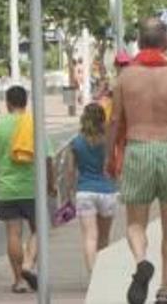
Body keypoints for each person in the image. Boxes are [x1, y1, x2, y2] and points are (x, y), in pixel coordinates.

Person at [109, 18, 167, 304]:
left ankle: (141, 263)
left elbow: (114, 120)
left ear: (138, 42)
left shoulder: (125, 78)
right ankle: (165, 290)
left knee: (136, 223)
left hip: (138, 149)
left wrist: (109, 155)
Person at [0, 85, 53, 294]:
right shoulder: (34, 123)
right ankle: (28, 264)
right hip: (33, 187)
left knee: (13, 233)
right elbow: (48, 157)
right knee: (40, 230)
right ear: (25, 102)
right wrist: (50, 183)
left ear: (8, 103)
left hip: (7, 188)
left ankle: (19, 280)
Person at [64, 103, 117, 274]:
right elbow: (111, 165)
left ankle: (93, 273)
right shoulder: (107, 141)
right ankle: (102, 274)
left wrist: (68, 194)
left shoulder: (75, 143)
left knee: (89, 236)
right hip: (106, 191)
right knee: (103, 238)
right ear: (102, 119)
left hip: (85, 192)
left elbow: (70, 171)